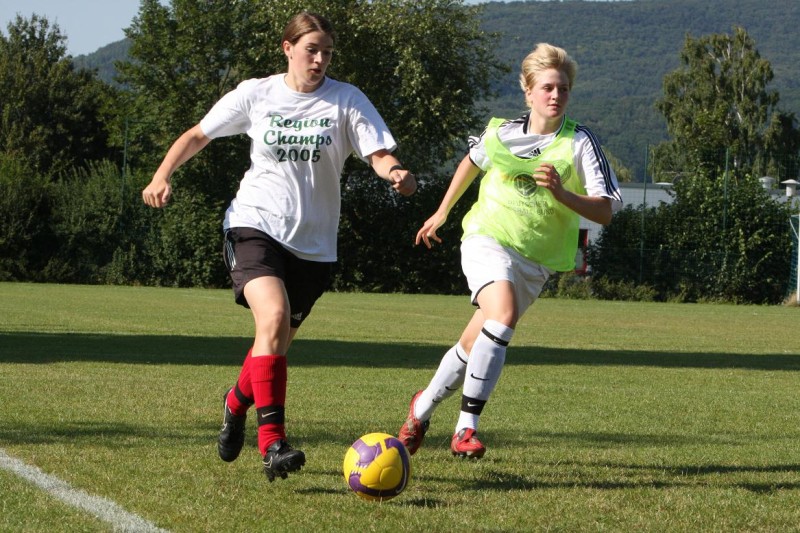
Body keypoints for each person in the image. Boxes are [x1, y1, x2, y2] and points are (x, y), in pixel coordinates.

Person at [142, 11, 416, 482]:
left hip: (314, 246)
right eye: (311, 50)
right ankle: (273, 443)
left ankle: (235, 403)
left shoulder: (346, 99)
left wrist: (396, 173)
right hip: (254, 224)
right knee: (271, 317)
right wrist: (161, 175)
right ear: (287, 49)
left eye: (327, 52)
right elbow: (197, 135)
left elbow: (377, 152)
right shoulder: (257, 93)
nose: (320, 60)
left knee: (274, 344)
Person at [397, 43, 621, 459]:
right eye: (548, 87)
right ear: (528, 91)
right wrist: (443, 211)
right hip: (487, 237)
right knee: (503, 316)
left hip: (535, 261)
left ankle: (420, 410)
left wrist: (562, 193)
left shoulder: (580, 142)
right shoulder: (502, 132)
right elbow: (471, 161)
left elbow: (605, 211)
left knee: (474, 343)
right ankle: (466, 428)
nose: (556, 95)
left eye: (564, 89)